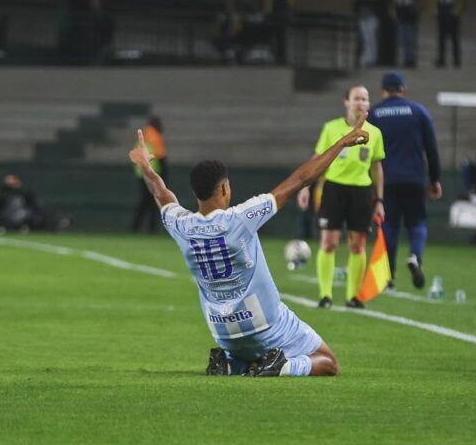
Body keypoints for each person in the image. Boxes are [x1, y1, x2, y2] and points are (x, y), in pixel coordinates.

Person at [128, 121, 369, 377]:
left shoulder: (182, 226)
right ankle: (282, 366)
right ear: (224, 188)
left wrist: (145, 165)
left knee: (242, 348)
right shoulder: (241, 218)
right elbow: (301, 179)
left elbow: (161, 193)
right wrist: (341, 143)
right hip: (265, 326)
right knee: (328, 362)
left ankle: (231, 363)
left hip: (222, 331)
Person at [298, 86, 385, 309]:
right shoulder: (331, 128)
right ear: (346, 102)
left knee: (358, 245)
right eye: (356, 98)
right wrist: (305, 187)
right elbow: (317, 160)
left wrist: (380, 200)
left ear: (368, 103)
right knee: (329, 242)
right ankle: (325, 296)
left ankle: (353, 297)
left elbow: (377, 169)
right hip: (334, 189)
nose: (360, 102)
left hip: (362, 191)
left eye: (364, 99)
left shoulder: (374, 133)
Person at [368, 71, 442, 290]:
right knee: (417, 222)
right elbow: (431, 148)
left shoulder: (374, 114)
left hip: (386, 180)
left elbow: (366, 150)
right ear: (403, 89)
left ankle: (389, 277)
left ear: (383, 90)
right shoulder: (418, 112)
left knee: (390, 226)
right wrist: (435, 179)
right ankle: (415, 257)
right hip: (414, 179)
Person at [131, 117, 167, 233]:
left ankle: (136, 226)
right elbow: (161, 157)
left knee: (145, 201)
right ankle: (151, 228)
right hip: (153, 173)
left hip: (141, 173)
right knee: (153, 201)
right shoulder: (155, 136)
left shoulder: (143, 135)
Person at [265, 0, 295, 64]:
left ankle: (280, 57)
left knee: (280, 36)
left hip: (280, 10)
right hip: (278, 10)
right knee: (277, 35)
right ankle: (277, 57)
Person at [435, 0, 464, 68]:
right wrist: (436, 12)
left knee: (454, 38)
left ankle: (456, 60)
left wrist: (455, 12)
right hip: (442, 13)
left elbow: (461, 1)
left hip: (452, 14)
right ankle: (441, 59)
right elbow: (436, 1)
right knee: (441, 39)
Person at [390, 0, 420, 68]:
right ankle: (403, 59)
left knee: (410, 40)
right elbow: (392, 4)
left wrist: (415, 12)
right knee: (401, 41)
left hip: (410, 19)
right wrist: (393, 13)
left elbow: (418, 3)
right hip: (400, 18)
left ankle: (410, 59)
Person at [354, 0, 381, 68]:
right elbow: (355, 6)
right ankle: (365, 59)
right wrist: (360, 14)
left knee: (372, 40)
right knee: (364, 39)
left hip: (372, 18)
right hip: (363, 18)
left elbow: (377, 8)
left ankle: (372, 59)